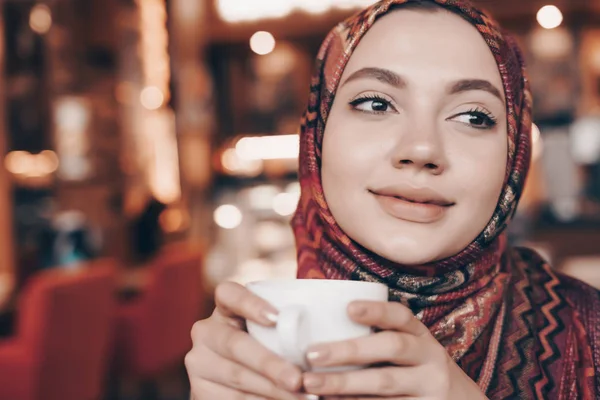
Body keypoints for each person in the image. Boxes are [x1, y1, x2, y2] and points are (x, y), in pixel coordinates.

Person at [185, 1, 600, 399]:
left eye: (474, 116)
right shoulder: (255, 351)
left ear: (514, 153)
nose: (421, 149)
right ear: (319, 133)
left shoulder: (590, 334)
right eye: (376, 103)